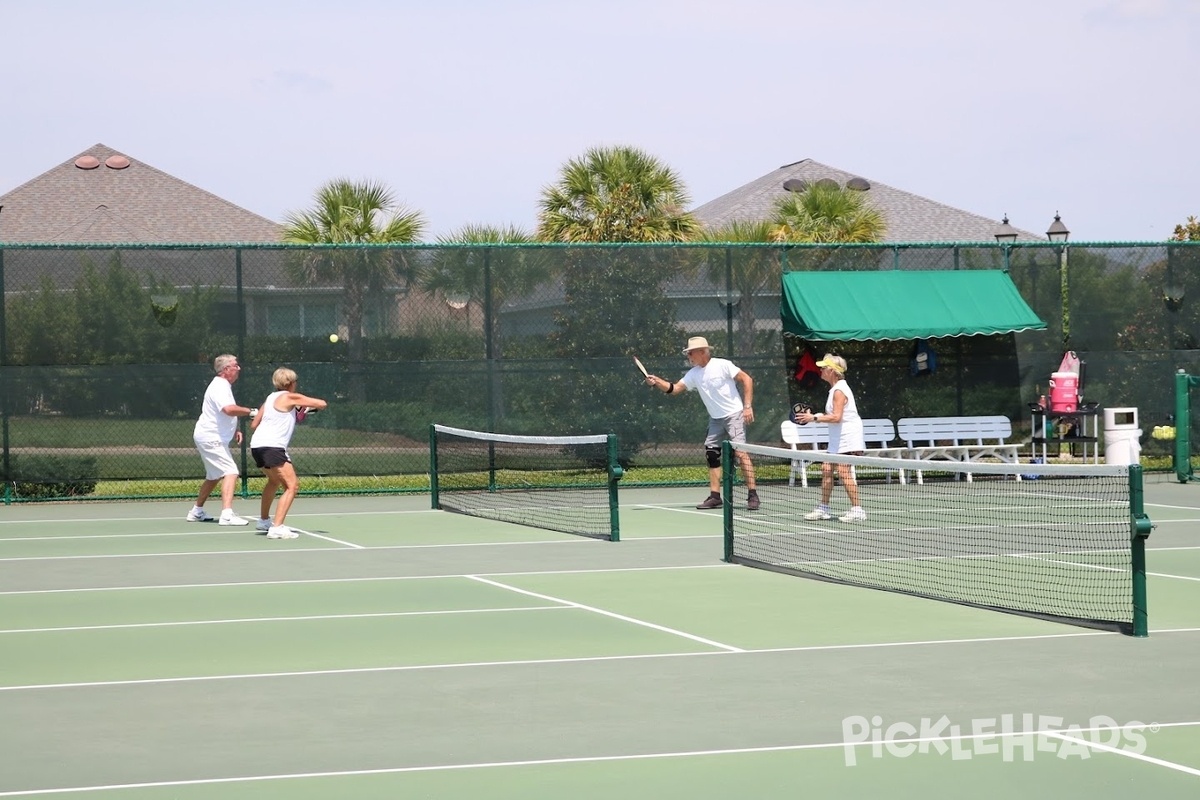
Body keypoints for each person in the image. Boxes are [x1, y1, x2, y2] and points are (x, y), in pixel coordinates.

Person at [645, 336, 759, 511]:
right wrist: (656, 382)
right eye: (687, 353)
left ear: (702, 351)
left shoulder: (723, 365)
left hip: (734, 415)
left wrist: (748, 406)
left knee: (741, 453)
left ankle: (753, 495)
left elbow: (747, 379)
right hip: (715, 419)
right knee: (712, 454)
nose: (688, 356)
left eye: (690, 352)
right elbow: (674, 389)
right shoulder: (693, 373)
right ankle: (715, 497)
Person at [249, 367, 328, 540]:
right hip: (273, 447)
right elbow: (322, 404)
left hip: (257, 446)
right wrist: (303, 407)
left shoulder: (270, 398)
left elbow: (254, 424)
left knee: (274, 480)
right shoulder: (290, 397)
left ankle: (264, 521)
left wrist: (297, 410)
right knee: (292, 486)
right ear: (291, 383)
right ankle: (277, 528)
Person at [795, 354, 867, 522]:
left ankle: (857, 510)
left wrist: (813, 418)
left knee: (843, 471)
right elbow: (832, 415)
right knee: (827, 469)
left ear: (833, 371)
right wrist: (815, 416)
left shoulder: (839, 391)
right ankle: (823, 508)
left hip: (849, 437)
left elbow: (837, 417)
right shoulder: (834, 389)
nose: (820, 370)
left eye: (824, 368)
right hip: (837, 438)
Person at [187, 354, 256, 525]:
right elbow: (228, 409)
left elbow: (223, 412)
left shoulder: (223, 385)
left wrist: (236, 428)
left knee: (213, 476)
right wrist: (252, 411)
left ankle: (196, 511)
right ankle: (227, 515)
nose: (238, 368)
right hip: (211, 437)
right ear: (226, 370)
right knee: (230, 471)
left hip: (209, 436)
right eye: (235, 365)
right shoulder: (220, 386)